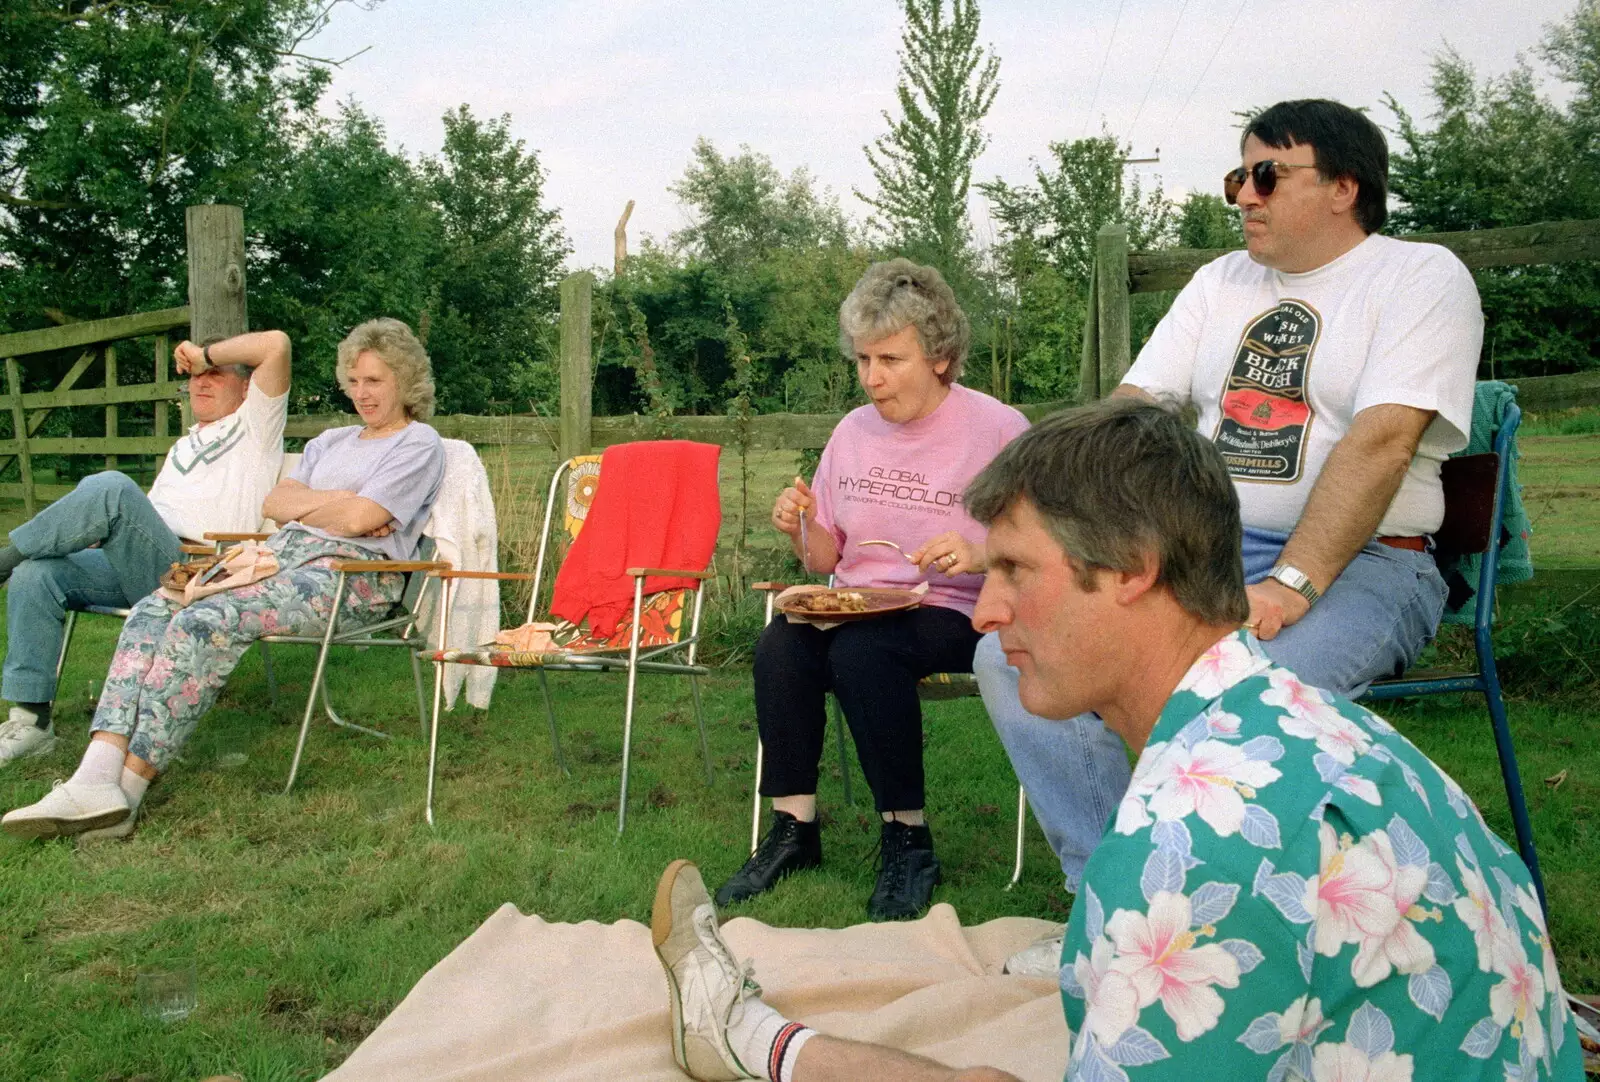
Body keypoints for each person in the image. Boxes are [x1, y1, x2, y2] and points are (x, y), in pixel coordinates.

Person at [649, 400, 1580, 1082]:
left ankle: (745, 1038)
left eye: (1013, 570)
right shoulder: (1306, 724)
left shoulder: (1195, 842)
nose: (990, 613)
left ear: (1134, 570)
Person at [978, 99, 1486, 910]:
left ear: (1344, 187)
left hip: (1364, 567)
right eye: (1238, 177)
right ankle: (1114, 906)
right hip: (1204, 554)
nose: (1243, 195)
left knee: (1238, 703)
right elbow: (1130, 414)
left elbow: (1384, 441)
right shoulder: (1222, 282)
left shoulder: (1418, 277)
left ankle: (1231, 915)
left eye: (1266, 175)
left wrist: (1294, 582)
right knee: (1011, 657)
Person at [1, 318, 444, 842]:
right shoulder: (331, 441)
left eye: (377, 381)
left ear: (407, 382)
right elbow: (277, 505)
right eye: (355, 381)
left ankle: (128, 789)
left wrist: (338, 510)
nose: (362, 394)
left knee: (204, 617)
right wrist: (348, 503)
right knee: (158, 604)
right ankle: (94, 775)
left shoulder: (419, 444)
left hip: (351, 577)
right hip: (277, 560)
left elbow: (356, 525)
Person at [717, 258, 1028, 921]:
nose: (871, 377)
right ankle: (794, 829)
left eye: (890, 358)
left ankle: (908, 839)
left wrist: (979, 552)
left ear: (941, 356)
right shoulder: (853, 432)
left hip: (951, 608)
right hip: (854, 602)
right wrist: (801, 525)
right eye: (862, 359)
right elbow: (827, 552)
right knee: (780, 644)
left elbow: (1041, 544)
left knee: (865, 655)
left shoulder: (997, 429)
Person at [0, 331, 288, 767]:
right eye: (194, 375)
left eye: (215, 372)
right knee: (37, 574)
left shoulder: (257, 428)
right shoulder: (184, 444)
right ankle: (32, 721)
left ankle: (5, 556)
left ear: (246, 387)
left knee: (112, 486)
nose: (201, 381)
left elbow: (277, 346)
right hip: (144, 562)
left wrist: (198, 352)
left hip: (201, 572)